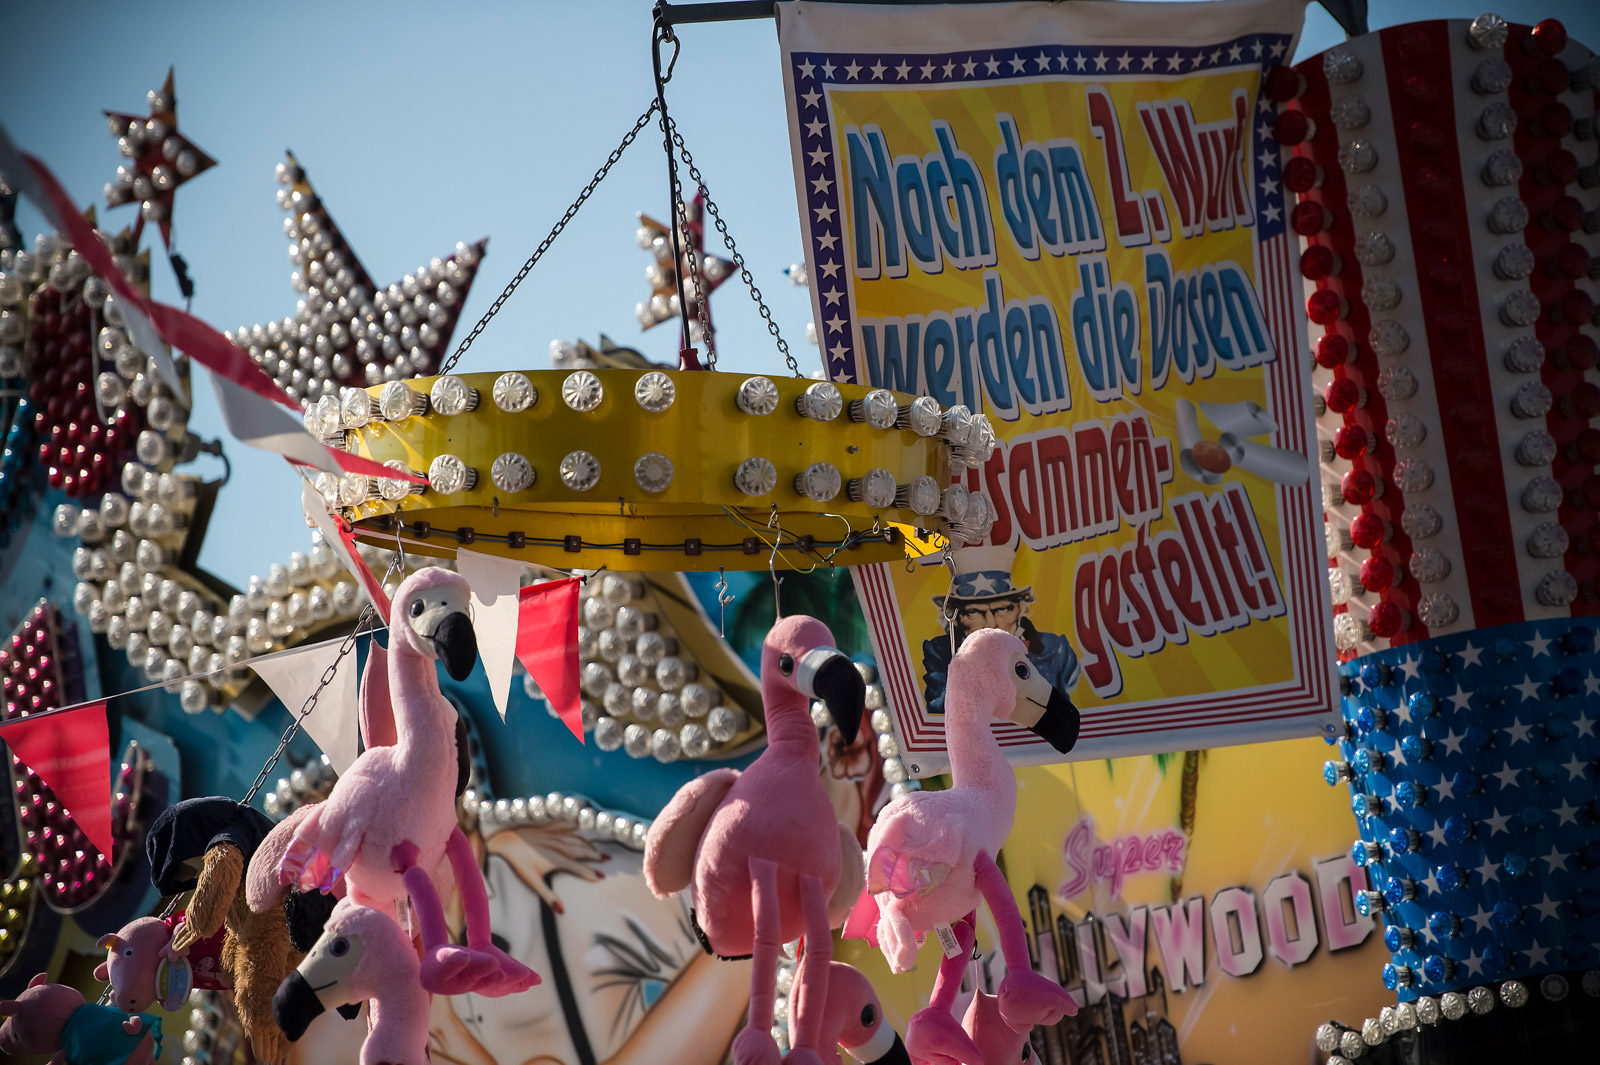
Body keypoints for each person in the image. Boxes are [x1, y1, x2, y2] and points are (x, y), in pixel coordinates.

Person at [922, 546, 1080, 714]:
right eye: (974, 612)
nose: (991, 623)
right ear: (955, 618)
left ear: (1020, 609)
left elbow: (1066, 713)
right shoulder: (939, 652)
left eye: (1002, 609)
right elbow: (940, 708)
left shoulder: (1056, 650)